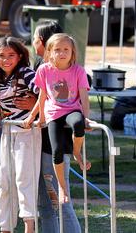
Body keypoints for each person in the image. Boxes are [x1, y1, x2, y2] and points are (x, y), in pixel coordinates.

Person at [26, 33, 91, 204]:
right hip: (53, 113)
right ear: (49, 51)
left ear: (72, 52)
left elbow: (84, 97)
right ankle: (62, 187)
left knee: (78, 125)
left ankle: (77, 151)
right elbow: (42, 96)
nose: (62, 53)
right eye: (57, 49)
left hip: (72, 110)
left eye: (66, 49)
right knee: (57, 151)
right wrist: (37, 116)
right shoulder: (44, 70)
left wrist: (86, 118)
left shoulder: (78, 70)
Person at [31, 21, 81, 233]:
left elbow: (38, 98)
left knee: (60, 198)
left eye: (34, 38)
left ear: (42, 42)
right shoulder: (43, 69)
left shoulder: (67, 70)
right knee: (46, 202)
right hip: (40, 140)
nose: (32, 42)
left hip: (52, 143)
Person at [0, 37, 40, 233]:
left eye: (11, 55)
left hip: (27, 130)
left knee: (24, 179)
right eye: (1, 55)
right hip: (8, 131)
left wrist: (34, 107)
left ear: (19, 56)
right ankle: (5, 228)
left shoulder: (26, 73)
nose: (6, 59)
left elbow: (45, 93)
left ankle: (29, 226)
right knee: (5, 181)